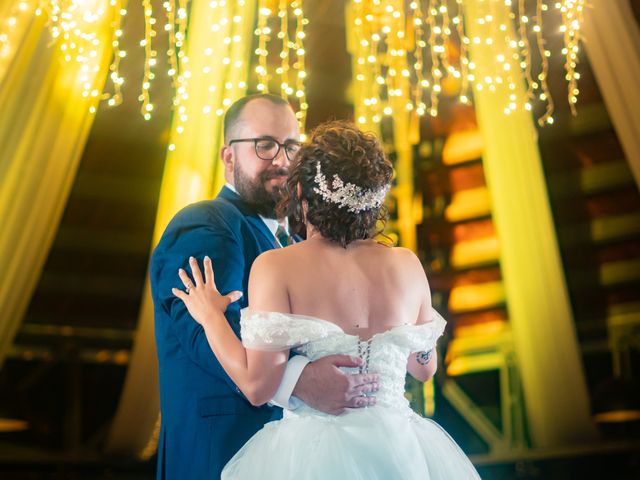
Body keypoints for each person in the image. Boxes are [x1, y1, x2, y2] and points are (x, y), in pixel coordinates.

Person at [173, 120, 481, 479]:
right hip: (399, 451)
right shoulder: (406, 264)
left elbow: (258, 388)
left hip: (311, 454)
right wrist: (419, 337)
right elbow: (424, 368)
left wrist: (211, 316)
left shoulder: (276, 267)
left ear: (301, 188)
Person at [151, 96, 379, 479]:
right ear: (228, 157)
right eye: (265, 145)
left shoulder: (292, 245)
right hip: (220, 452)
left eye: (291, 146)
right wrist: (301, 380)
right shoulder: (206, 223)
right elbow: (203, 333)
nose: (282, 160)